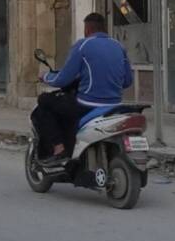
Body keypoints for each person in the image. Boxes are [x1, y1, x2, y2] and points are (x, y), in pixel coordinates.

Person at [31, 12, 133, 164]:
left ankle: (59, 148)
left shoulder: (82, 46)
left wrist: (45, 77)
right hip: (115, 104)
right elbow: (127, 81)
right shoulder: (119, 46)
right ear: (104, 28)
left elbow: (63, 79)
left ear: (87, 30)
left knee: (45, 100)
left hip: (87, 105)